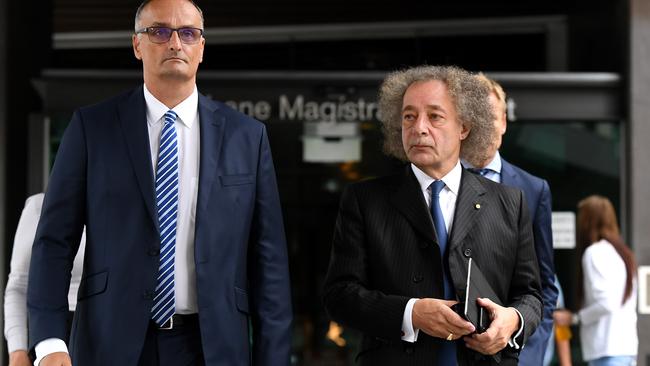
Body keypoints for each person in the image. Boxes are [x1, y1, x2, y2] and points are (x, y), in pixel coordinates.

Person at [27, 0, 292, 365]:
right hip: (110, 344)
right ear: (137, 45)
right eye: (159, 31)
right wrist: (49, 341)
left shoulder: (247, 137)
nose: (174, 43)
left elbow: (270, 262)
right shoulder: (92, 128)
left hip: (212, 347)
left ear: (201, 47)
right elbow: (54, 242)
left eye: (188, 33)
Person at [323, 65, 542, 365]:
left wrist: (512, 321)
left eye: (435, 116)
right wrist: (411, 313)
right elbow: (339, 296)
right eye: (409, 116)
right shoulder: (365, 200)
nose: (419, 128)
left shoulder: (509, 202)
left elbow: (530, 295)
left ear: (464, 127)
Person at [461, 74, 559, 366]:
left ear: (503, 121)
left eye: (490, 117)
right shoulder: (438, 184)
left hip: (516, 351)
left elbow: (544, 284)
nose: (483, 126)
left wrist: (528, 347)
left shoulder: (533, 189)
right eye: (474, 118)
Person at [554, 196, 637, 366]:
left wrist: (575, 318)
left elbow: (607, 303)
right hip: (626, 349)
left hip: (607, 350)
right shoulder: (623, 254)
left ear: (587, 221)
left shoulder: (595, 253)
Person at [4, 194, 85, 366]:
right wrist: (17, 351)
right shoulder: (37, 206)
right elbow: (18, 286)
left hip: (100, 333)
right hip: (46, 333)